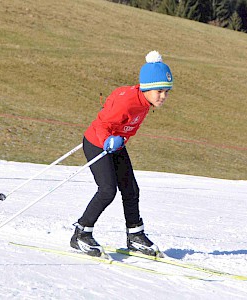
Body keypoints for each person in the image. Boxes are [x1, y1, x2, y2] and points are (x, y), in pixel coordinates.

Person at [70, 50, 173, 257]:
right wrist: (107, 140)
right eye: (159, 91)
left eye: (166, 91)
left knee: (131, 189)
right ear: (147, 87)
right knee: (107, 190)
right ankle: (81, 233)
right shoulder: (127, 102)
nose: (163, 97)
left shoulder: (145, 102)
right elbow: (102, 124)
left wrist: (118, 141)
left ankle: (135, 235)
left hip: (116, 144)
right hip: (97, 143)